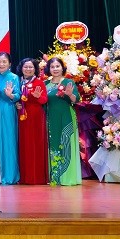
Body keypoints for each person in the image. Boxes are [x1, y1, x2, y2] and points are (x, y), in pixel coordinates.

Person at [45, 56, 81, 186]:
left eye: (57, 66)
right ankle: (55, 177)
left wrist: (70, 94)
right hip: (51, 119)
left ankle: (68, 178)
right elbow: (42, 102)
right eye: (52, 67)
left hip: (66, 117)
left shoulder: (68, 82)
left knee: (66, 143)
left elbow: (76, 100)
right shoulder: (45, 84)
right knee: (53, 144)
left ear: (62, 68)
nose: (55, 69)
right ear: (48, 69)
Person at [16, 57, 48, 185]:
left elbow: (44, 100)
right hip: (22, 118)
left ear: (35, 69)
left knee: (35, 145)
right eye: (25, 67)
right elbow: (17, 98)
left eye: (30, 67)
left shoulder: (39, 82)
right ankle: (25, 177)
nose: (28, 69)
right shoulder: (19, 82)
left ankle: (36, 177)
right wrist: (17, 104)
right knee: (24, 145)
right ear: (21, 68)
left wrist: (38, 97)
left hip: (35, 117)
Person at [0, 51, 21, 184]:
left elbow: (18, 95)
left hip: (8, 111)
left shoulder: (14, 77)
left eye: (4, 62)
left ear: (9, 63)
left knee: (8, 142)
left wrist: (10, 95)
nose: (1, 64)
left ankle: (10, 176)